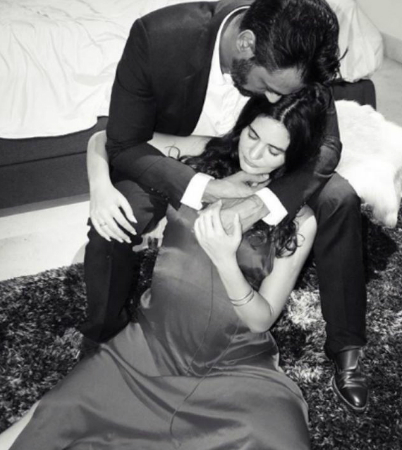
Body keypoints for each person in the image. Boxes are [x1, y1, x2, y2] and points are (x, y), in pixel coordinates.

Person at [0, 87, 325, 450]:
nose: (254, 155)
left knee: (274, 437)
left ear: (294, 156)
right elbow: (108, 138)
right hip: (148, 349)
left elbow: (261, 320)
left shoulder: (299, 220)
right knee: (53, 418)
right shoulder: (206, 154)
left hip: (234, 367)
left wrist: (226, 260)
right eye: (252, 135)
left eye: (273, 150)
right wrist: (101, 190)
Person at [84, 0, 369, 412]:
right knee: (117, 218)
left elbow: (327, 146)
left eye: (284, 93)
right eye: (269, 86)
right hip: (181, 159)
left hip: (273, 161)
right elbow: (124, 143)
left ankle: (347, 347)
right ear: (245, 44)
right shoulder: (157, 37)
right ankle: (101, 337)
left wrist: (263, 202)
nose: (274, 97)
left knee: (339, 197)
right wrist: (209, 189)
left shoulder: (300, 49)